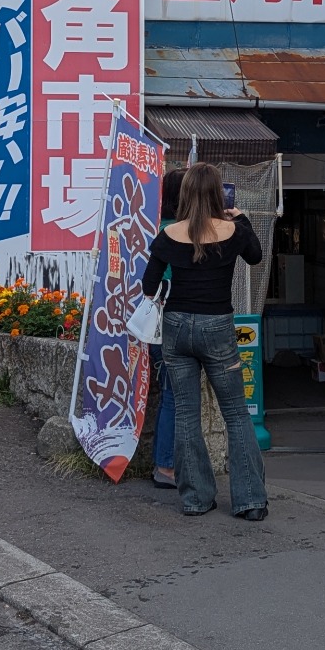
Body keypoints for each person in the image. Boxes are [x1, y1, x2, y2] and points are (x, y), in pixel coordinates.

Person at [142, 162, 268, 520]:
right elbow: (256, 256)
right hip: (218, 328)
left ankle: (196, 498)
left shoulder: (169, 234)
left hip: (177, 327)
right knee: (235, 413)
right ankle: (250, 501)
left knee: (185, 412)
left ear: (184, 194)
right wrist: (241, 218)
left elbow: (148, 286)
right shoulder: (233, 231)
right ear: (217, 194)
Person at [149, 169, 185, 490]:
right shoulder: (179, 232)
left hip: (157, 326)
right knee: (174, 396)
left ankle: (163, 463)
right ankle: (166, 466)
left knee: (167, 395)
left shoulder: (156, 227)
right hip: (175, 323)